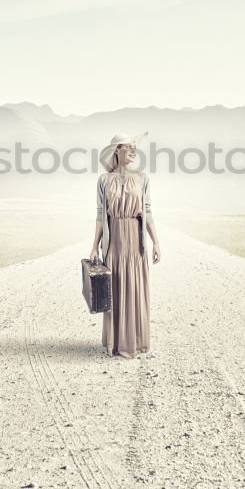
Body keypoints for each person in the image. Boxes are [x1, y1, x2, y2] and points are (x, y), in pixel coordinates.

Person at [89, 132, 161, 358]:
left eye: (134, 147)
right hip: (115, 242)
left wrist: (156, 242)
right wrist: (94, 246)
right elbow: (101, 215)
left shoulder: (143, 178)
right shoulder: (103, 180)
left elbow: (147, 211)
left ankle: (136, 343)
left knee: (136, 288)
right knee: (115, 289)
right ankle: (116, 343)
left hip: (135, 241)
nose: (133, 151)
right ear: (116, 151)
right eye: (127, 147)